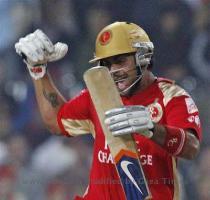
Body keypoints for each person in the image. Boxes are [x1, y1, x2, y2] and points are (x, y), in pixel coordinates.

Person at [15, 22, 202, 200]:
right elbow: (57, 122)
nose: (113, 71)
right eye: (106, 64)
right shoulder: (99, 93)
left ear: (143, 57)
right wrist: (39, 72)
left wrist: (153, 129)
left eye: (120, 61)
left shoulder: (172, 97)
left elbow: (192, 148)